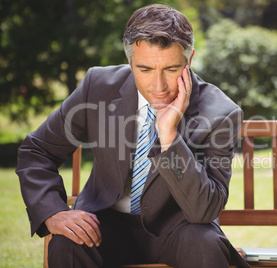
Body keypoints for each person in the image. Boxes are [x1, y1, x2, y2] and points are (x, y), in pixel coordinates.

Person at [16, 4, 249, 268]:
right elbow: (37, 151)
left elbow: (204, 211)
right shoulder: (97, 87)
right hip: (106, 224)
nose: (158, 86)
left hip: (180, 227)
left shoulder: (221, 113)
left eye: (171, 69)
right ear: (130, 62)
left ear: (190, 59)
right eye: (145, 69)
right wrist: (53, 211)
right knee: (68, 243)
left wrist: (169, 136)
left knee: (205, 244)